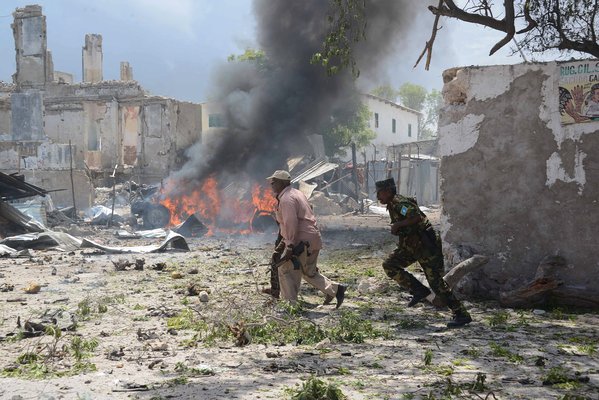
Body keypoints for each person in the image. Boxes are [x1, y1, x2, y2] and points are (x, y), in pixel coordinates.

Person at [375, 178, 472, 328]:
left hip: (426, 247)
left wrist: (398, 225)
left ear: (388, 191)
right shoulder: (393, 203)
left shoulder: (399, 203)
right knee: (390, 265)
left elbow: (416, 217)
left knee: (436, 283)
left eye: (380, 193)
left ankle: (461, 314)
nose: (378, 197)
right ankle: (419, 290)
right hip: (412, 247)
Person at [265, 170, 346, 307]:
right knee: (309, 272)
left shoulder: (286, 199)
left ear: (282, 183)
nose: (271, 185)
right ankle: (336, 289)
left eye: (274, 182)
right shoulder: (297, 193)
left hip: (300, 241)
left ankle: (290, 306)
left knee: (286, 270)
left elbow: (291, 222)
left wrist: (289, 245)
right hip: (312, 238)